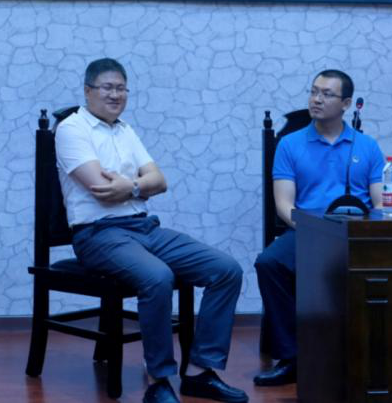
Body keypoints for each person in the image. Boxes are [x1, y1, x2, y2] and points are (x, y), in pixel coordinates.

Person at [55, 58, 248, 403]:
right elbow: (102, 189)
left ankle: (200, 372)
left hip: (144, 228)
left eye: (121, 88)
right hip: (98, 235)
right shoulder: (72, 129)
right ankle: (159, 380)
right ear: (88, 91)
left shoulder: (125, 130)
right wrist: (140, 185)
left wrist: (130, 186)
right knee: (158, 277)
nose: (115, 95)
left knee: (226, 270)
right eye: (107, 87)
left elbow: (160, 181)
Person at [252, 69, 385, 387]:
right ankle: (291, 358)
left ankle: (374, 353)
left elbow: (381, 203)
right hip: (307, 231)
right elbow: (284, 204)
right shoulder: (290, 144)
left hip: (356, 235)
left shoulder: (367, 146)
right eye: (314, 91)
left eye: (327, 94)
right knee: (269, 263)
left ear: (347, 104)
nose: (316, 99)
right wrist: (313, 229)